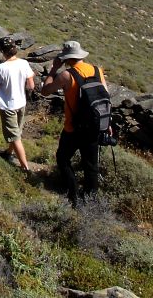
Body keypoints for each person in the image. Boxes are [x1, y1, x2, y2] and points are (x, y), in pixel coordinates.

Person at [40, 40, 108, 205]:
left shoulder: (66, 75)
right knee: (91, 165)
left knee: (63, 159)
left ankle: (73, 194)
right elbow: (105, 97)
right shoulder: (97, 71)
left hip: (73, 128)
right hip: (95, 125)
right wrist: (107, 124)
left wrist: (54, 68)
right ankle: (91, 200)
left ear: (66, 58)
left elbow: (45, 91)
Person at [0, 37, 35, 172]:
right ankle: (8, 153)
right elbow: (31, 85)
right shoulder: (24, 63)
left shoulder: (1, 68)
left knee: (14, 136)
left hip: (8, 106)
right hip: (21, 103)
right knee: (17, 132)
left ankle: (25, 167)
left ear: (2, 51)